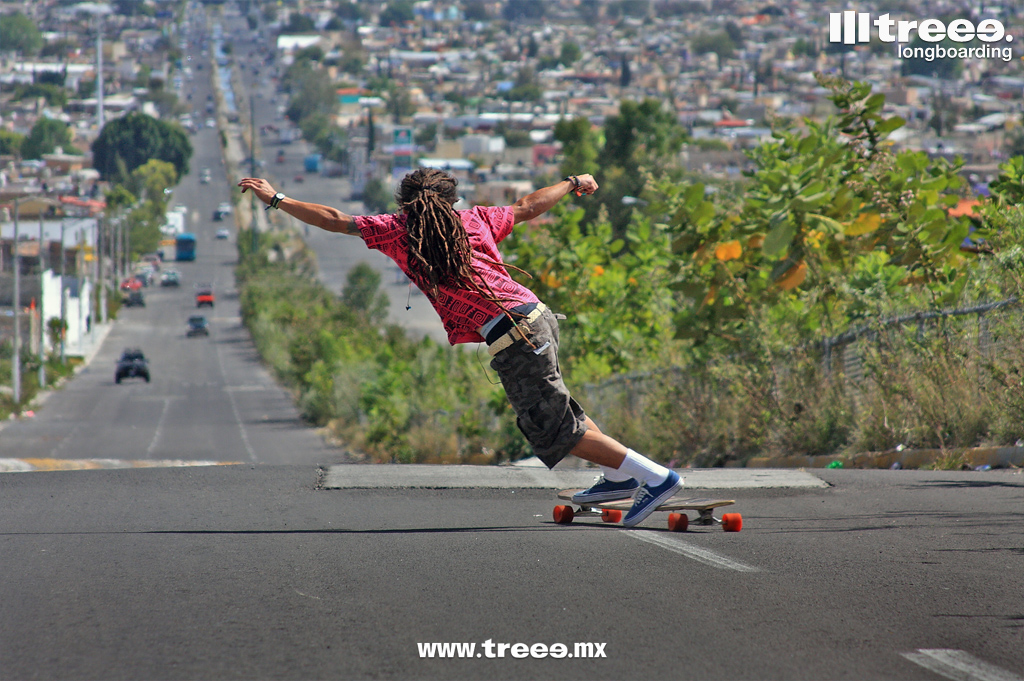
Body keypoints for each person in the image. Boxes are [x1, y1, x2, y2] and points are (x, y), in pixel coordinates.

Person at [238, 169, 682, 527]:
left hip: (512, 332)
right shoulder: (476, 219)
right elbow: (529, 205)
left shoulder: (398, 231)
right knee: (560, 410)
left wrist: (277, 199)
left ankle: (655, 477)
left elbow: (334, 218)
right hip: (534, 315)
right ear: (450, 200)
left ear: (405, 202)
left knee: (552, 426)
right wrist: (572, 182)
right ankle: (617, 475)